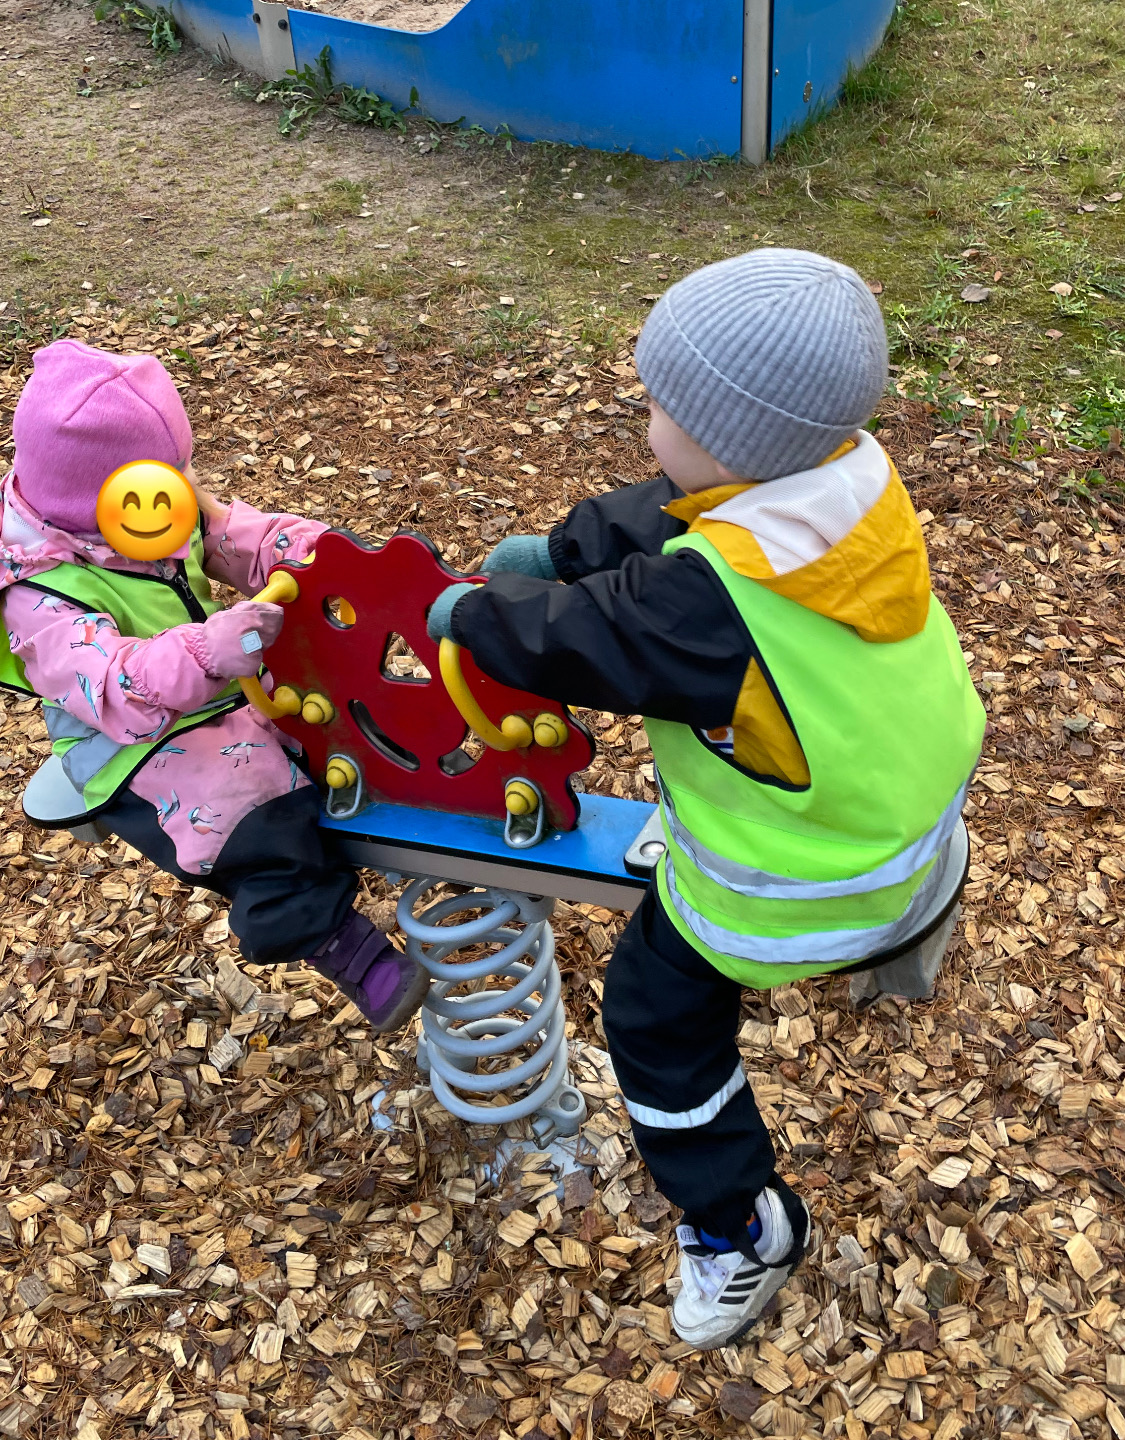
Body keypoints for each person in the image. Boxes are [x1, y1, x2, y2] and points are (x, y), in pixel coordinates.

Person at [425, 249, 985, 1348]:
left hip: (815, 883)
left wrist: (472, 616)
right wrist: (562, 549)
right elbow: (675, 515)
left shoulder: (706, 608)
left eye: (659, 406)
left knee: (652, 1016)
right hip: (913, 815)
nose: (645, 422)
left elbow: (592, 640)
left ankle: (740, 1228)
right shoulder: (847, 479)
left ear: (727, 439)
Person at [0, 339, 428, 1032]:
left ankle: (432, 797)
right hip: (128, 737)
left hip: (220, 681)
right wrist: (204, 650)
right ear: (100, 499)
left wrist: (323, 557)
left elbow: (235, 537)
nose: (182, 491)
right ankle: (334, 942)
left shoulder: (149, 509)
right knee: (241, 805)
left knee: (341, 699)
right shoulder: (36, 591)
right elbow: (108, 683)